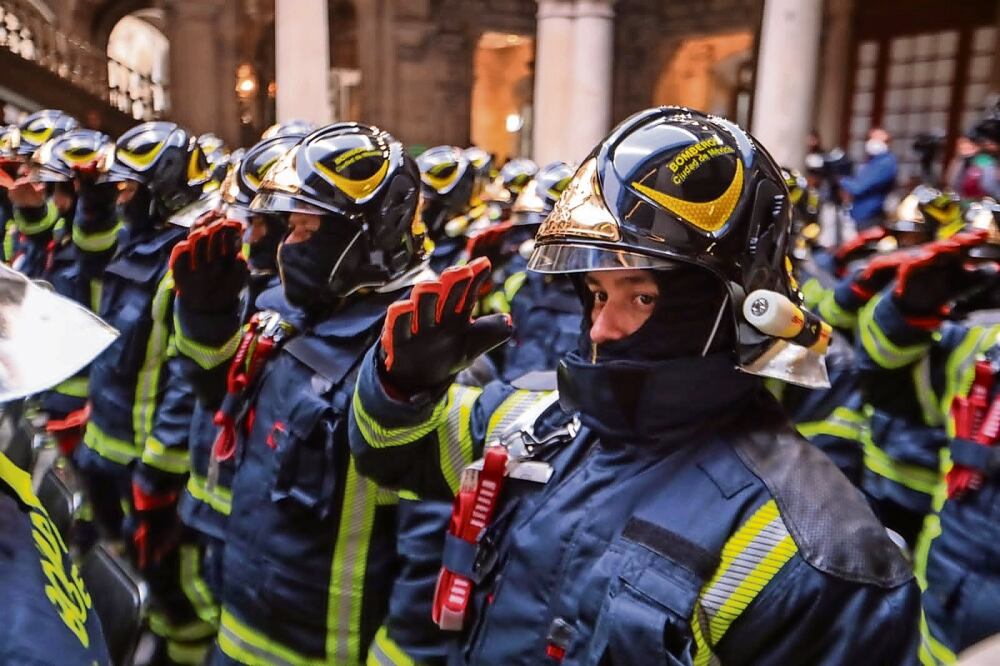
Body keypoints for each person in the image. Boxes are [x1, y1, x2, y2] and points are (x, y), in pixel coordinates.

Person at [350, 107, 920, 664]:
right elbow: (394, 453)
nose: (601, 327)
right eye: (597, 293)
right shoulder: (536, 417)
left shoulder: (818, 550)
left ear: (726, 306)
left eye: (639, 296)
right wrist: (400, 387)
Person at [170, 123, 435, 664]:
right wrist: (205, 320)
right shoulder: (287, 308)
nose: (285, 244)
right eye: (287, 226)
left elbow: (432, 554)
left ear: (370, 233)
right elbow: (220, 402)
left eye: (305, 228)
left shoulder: (419, 350)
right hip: (241, 624)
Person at [840, 127, 898, 230]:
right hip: (858, 214)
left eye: (879, 140)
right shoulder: (871, 162)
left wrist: (840, 179)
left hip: (870, 217)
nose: (874, 142)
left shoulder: (886, 163)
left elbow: (859, 187)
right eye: (872, 138)